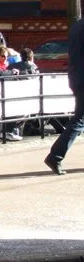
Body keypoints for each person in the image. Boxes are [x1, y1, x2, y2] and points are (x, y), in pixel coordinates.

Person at [45, 17, 84, 175]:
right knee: (79, 120)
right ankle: (55, 156)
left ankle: (56, 156)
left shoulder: (76, 26)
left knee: (79, 119)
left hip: (76, 78)